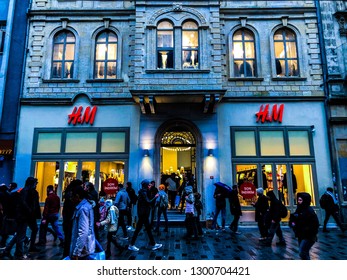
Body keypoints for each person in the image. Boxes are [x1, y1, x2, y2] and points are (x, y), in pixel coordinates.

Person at [128, 179, 162, 252]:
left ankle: (153, 244)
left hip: (143, 214)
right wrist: (155, 197)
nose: (149, 186)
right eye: (148, 185)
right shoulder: (143, 192)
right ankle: (132, 245)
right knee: (140, 229)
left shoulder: (143, 192)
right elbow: (148, 201)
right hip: (143, 214)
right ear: (146, 185)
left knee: (146, 229)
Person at [289, 192, 319, 260]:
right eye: (298, 200)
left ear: (305, 200)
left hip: (308, 236)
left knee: (302, 252)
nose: (299, 202)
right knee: (304, 252)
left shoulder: (309, 211)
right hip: (301, 234)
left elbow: (314, 224)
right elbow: (294, 220)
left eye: (300, 200)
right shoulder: (299, 209)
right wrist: (293, 224)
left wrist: (306, 229)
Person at [70, 184, 96, 260]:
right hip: (85, 247)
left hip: (83, 250)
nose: (71, 198)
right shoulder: (86, 206)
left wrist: (76, 252)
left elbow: (83, 232)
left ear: (77, 196)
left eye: (72, 196)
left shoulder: (83, 209)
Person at [62, 179, 83, 258]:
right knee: (71, 236)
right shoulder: (72, 195)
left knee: (68, 236)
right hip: (71, 218)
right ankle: (70, 253)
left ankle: (66, 253)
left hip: (67, 218)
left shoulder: (68, 193)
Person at [22, 177, 41, 252]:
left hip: (29, 214)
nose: (36, 185)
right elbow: (25, 203)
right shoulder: (28, 191)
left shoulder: (29, 191)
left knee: (23, 231)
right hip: (28, 214)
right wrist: (30, 210)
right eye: (35, 183)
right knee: (22, 231)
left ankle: (31, 245)